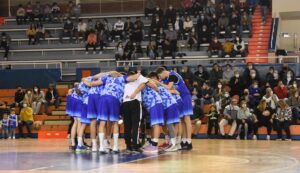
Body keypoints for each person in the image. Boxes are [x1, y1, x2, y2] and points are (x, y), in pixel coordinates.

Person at [96, 72, 141, 153]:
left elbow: (92, 83)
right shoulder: (122, 78)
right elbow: (133, 78)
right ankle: (115, 147)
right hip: (114, 99)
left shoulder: (107, 78)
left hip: (103, 98)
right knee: (115, 123)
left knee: (102, 123)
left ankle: (102, 147)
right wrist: (138, 74)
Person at [156, 67, 193, 150]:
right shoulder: (170, 77)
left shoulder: (172, 75)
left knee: (187, 119)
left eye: (160, 77)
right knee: (182, 120)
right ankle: (183, 141)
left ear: (161, 73)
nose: (160, 78)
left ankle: (189, 141)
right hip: (180, 97)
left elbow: (168, 87)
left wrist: (159, 83)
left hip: (185, 96)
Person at [121, 71, 152, 153]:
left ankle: (128, 146)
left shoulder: (125, 83)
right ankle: (135, 146)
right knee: (135, 125)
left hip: (125, 103)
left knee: (127, 126)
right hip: (134, 102)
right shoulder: (138, 79)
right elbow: (145, 83)